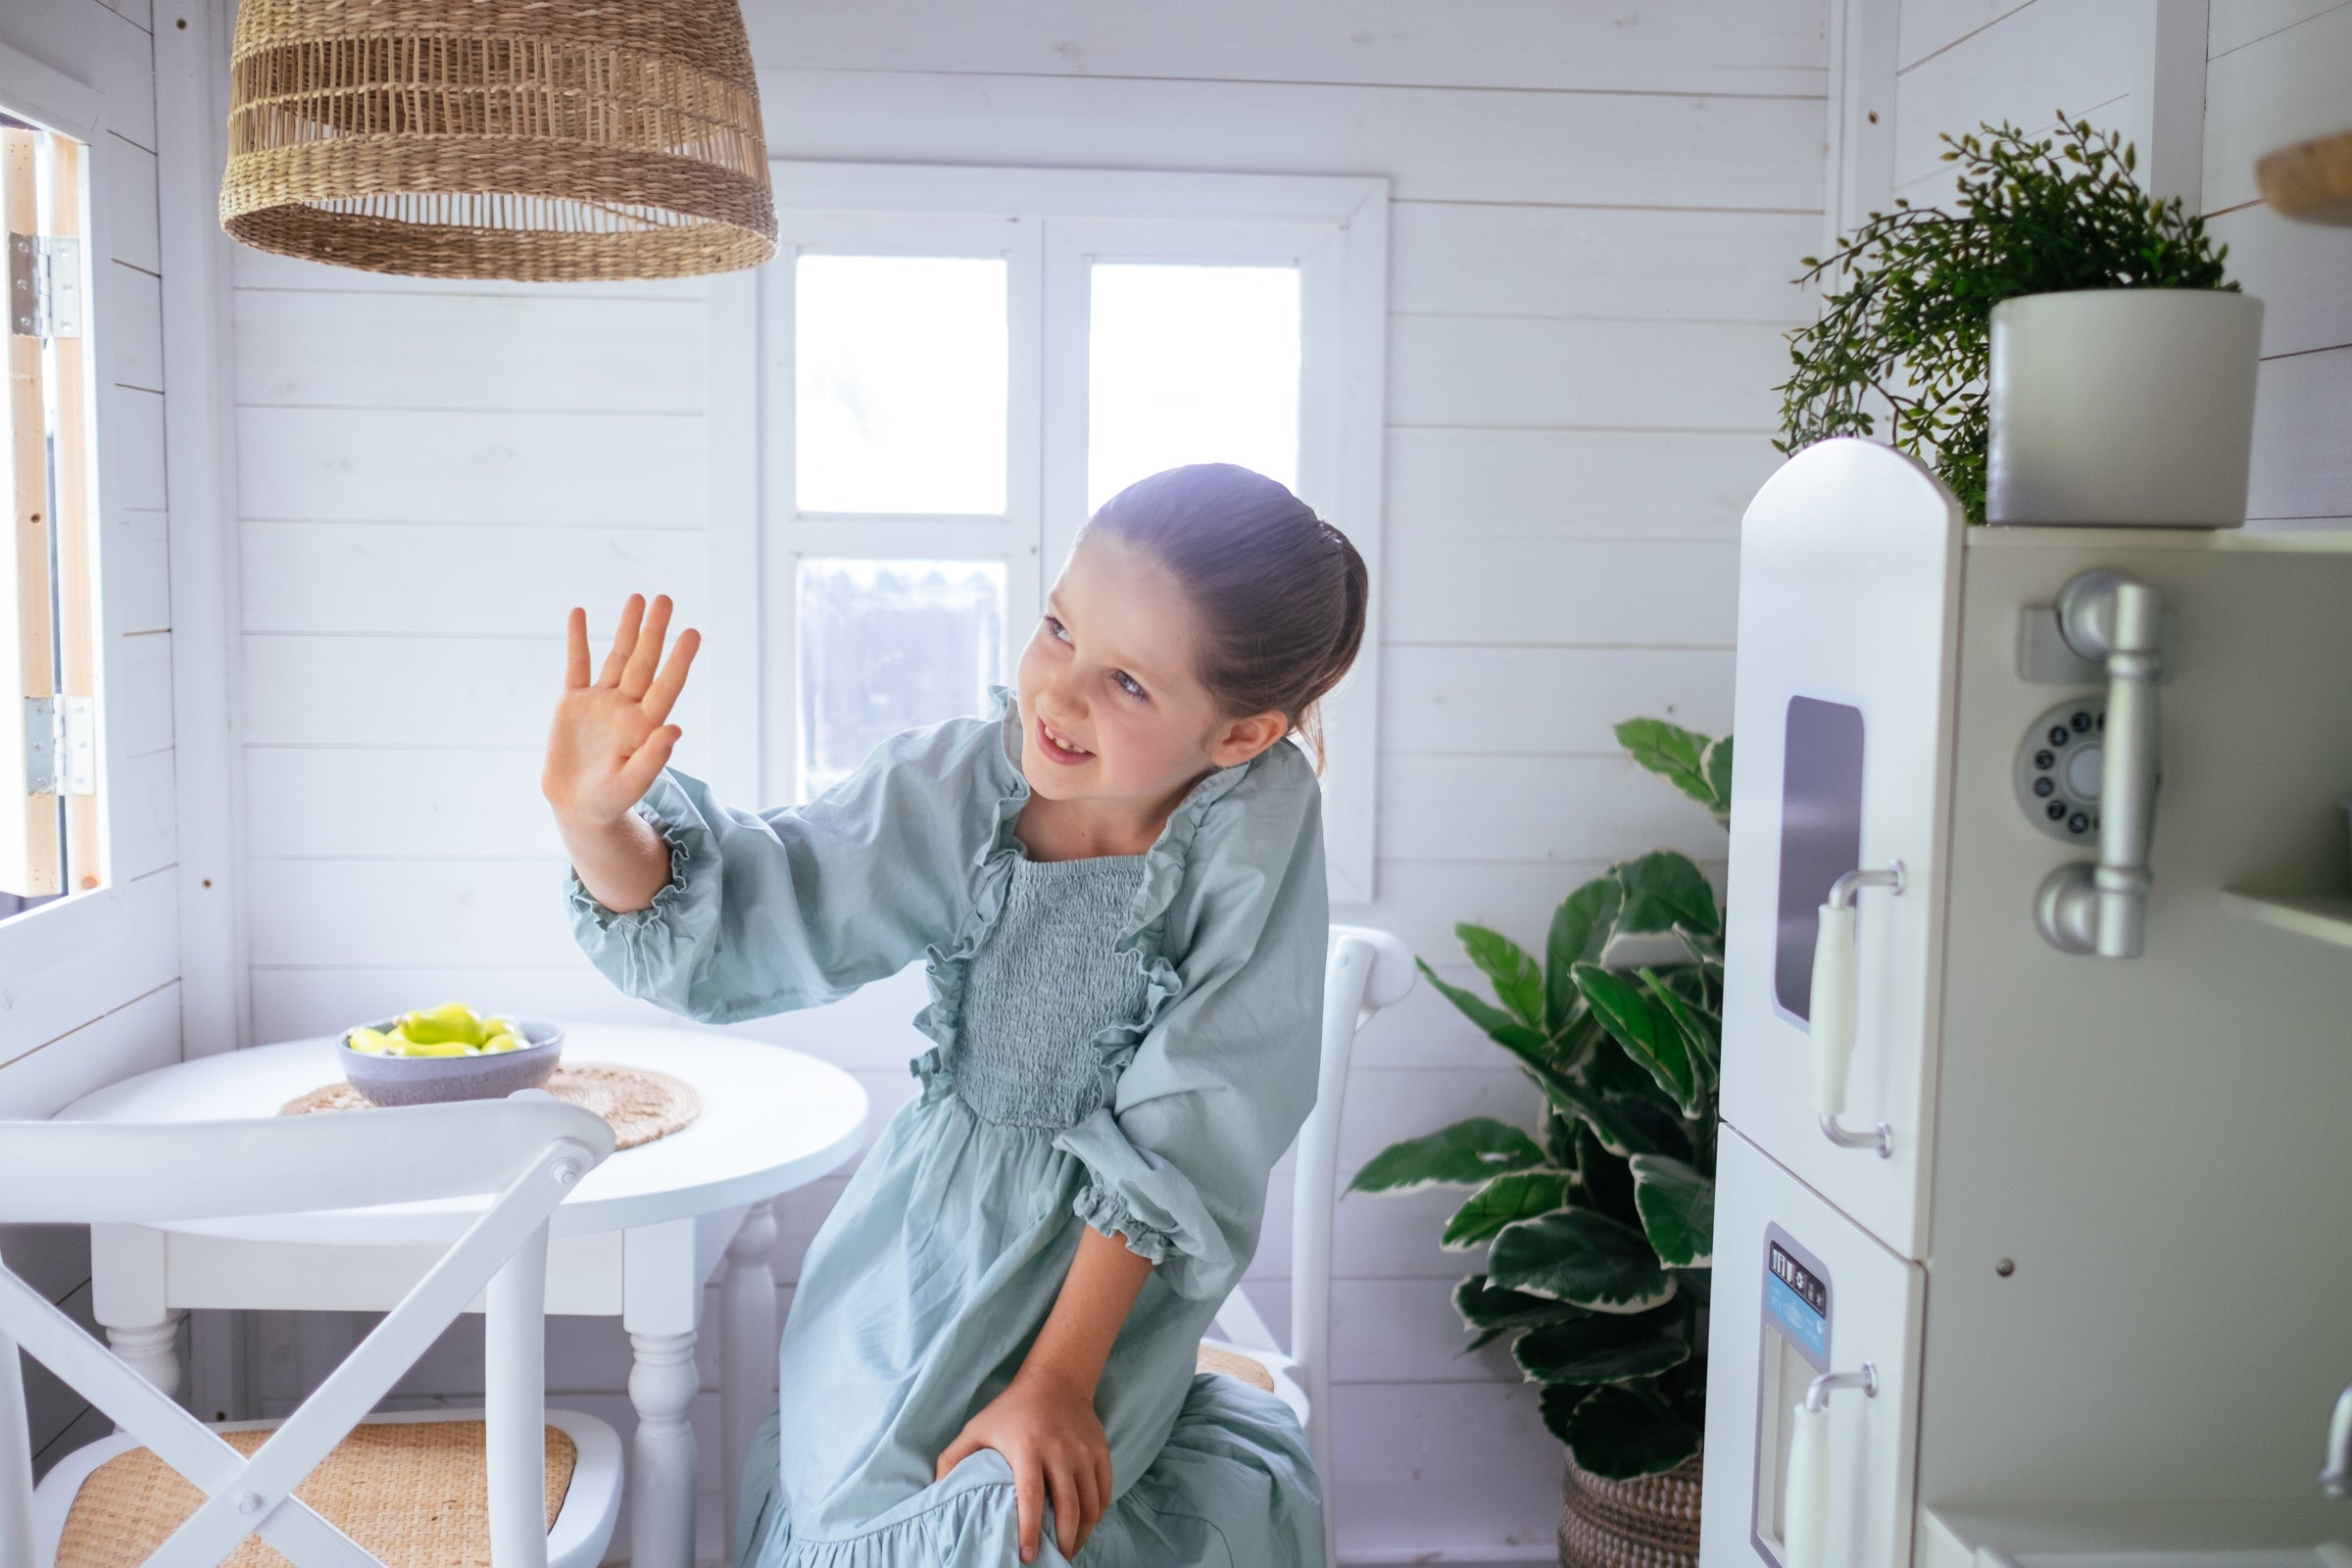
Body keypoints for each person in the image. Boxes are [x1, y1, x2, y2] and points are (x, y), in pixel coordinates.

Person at [545, 463, 1369, 1567]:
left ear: (1241, 735)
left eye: (1128, 683)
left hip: (1108, 1284)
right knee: (864, 1515)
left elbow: (1199, 1123)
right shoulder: (964, 783)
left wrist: (1059, 1382)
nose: (1060, 694)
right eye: (1057, 628)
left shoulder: (1257, 824)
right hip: (922, 1245)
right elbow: (764, 907)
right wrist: (596, 821)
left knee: (1007, 1517)